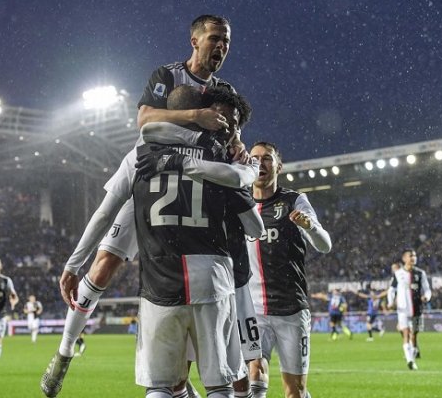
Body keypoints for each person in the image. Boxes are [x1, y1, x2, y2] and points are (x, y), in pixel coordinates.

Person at [41, 84, 258, 398]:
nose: (227, 125)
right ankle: (64, 352)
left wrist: (233, 145)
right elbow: (146, 118)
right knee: (103, 267)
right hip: (153, 187)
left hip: (177, 258)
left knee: (170, 379)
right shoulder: (171, 81)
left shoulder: (219, 136)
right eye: (222, 118)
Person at [131, 92, 263, 397]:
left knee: (162, 383)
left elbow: (148, 127)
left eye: (232, 124)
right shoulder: (222, 164)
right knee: (220, 380)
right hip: (214, 277)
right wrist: (243, 180)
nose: (225, 127)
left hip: (160, 278)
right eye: (222, 119)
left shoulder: (145, 150)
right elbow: (255, 227)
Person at [246, 142, 332, 398]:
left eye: (267, 158)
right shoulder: (240, 203)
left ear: (278, 166)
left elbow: (324, 245)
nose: (260, 163)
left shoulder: (294, 200)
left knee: (295, 390)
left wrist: (310, 226)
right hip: (254, 309)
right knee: (255, 373)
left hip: (291, 309)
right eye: (255, 158)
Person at [387, 248, 432, 370]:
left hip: (417, 307)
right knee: (406, 334)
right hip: (402, 309)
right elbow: (391, 290)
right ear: (404, 258)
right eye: (411, 256)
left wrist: (426, 297)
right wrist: (390, 302)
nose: (413, 258)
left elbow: (427, 289)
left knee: (414, 336)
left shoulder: (420, 273)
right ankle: (410, 361)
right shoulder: (398, 274)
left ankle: (412, 356)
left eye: (415, 256)